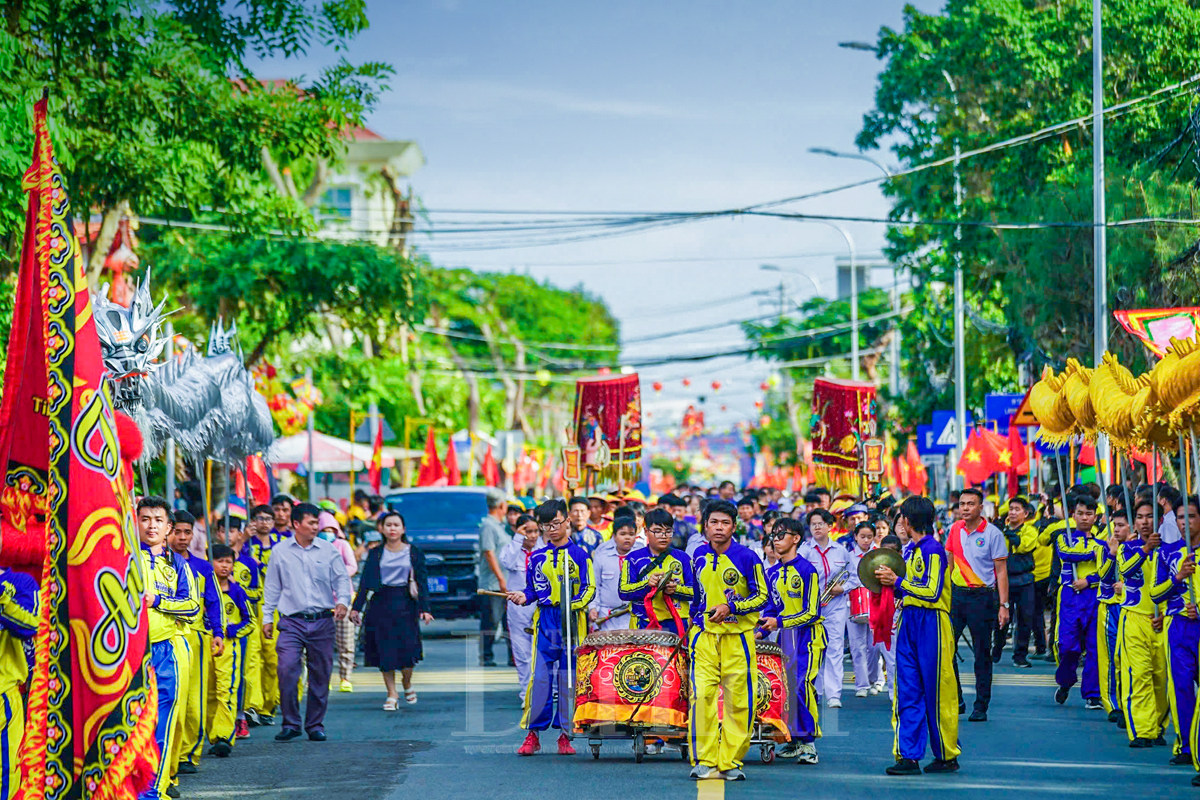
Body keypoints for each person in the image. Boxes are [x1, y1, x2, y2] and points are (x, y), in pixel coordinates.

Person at [875, 495, 960, 776]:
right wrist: (891, 583)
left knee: (937, 691)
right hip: (910, 620)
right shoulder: (910, 551)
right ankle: (908, 756)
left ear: (907, 522)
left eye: (900, 519)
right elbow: (909, 589)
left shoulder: (933, 550)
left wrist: (898, 581)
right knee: (907, 688)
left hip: (932, 623)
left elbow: (932, 591)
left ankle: (946, 754)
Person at [686, 499, 768, 781]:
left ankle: (730, 760)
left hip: (738, 639)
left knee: (739, 701)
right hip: (704, 639)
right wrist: (694, 620)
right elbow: (696, 596)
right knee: (701, 697)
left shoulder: (748, 557)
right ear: (705, 526)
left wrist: (731, 608)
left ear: (734, 526)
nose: (719, 528)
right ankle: (705, 759)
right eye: (713, 523)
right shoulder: (697, 555)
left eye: (725, 523)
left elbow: (762, 596)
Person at [506, 499, 595, 757]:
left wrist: (573, 604)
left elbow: (589, 589)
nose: (552, 529)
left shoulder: (580, 555)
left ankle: (566, 736)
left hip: (572, 621)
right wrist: (524, 596)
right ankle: (532, 734)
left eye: (556, 523)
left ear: (567, 521)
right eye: (546, 525)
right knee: (541, 678)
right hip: (545, 620)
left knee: (569, 678)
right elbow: (532, 589)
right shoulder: (536, 557)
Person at [262, 502, 352, 742]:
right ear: (296, 524)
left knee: (320, 675)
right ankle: (291, 723)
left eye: (317, 523)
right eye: (312, 523)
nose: (317, 527)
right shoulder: (280, 552)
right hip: (291, 622)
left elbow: (342, 580)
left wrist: (343, 601)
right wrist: (267, 618)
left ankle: (315, 724)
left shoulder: (328, 550)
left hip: (323, 620)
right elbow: (272, 587)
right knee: (286, 669)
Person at [137, 497, 199, 800]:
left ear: (168, 527)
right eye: (145, 518)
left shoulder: (178, 565)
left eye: (158, 520)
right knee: (132, 722)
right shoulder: (124, 560)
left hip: (167, 652)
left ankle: (153, 790)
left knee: (162, 723)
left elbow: (192, 607)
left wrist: (158, 601)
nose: (151, 525)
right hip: (130, 653)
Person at [351, 511, 434, 709]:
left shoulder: (413, 552)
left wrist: (425, 608)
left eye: (396, 525)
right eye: (388, 525)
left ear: (403, 529)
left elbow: (422, 582)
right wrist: (356, 608)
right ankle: (391, 693)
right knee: (384, 650)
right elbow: (365, 583)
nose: (392, 529)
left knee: (408, 651)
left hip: (406, 604)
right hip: (381, 604)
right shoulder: (375, 553)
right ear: (381, 529)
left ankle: (406, 682)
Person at [759, 517, 824, 765]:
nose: (775, 539)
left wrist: (780, 623)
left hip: (808, 637)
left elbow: (812, 612)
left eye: (781, 534)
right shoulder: (772, 573)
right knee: (786, 690)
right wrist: (762, 631)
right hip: (785, 638)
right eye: (773, 535)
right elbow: (772, 609)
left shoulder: (808, 570)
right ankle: (795, 740)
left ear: (796, 538)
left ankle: (809, 744)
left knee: (802, 686)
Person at [944, 487, 1009, 722]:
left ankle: (981, 705)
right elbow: (950, 564)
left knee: (982, 654)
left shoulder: (993, 534)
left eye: (970, 504)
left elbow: (1001, 572)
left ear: (981, 508)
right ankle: (957, 698)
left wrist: (1004, 605)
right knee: (946, 648)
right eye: (962, 504)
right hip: (957, 597)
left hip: (982, 598)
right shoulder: (954, 530)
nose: (965, 508)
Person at [170, 511, 224, 775]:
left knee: (194, 700)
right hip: (166, 636)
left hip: (197, 638)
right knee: (169, 699)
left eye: (187, 532)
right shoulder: (154, 563)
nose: (182, 538)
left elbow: (214, 602)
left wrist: (218, 633)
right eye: (177, 531)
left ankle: (187, 754)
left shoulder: (204, 567)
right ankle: (165, 756)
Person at [1114, 504, 1169, 746]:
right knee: (1139, 674)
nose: (1145, 522)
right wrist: (1147, 548)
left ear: (1159, 521)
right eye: (1140, 517)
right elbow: (1125, 569)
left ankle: (1157, 726)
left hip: (1162, 620)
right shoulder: (1127, 548)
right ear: (1134, 523)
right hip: (1134, 618)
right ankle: (1142, 730)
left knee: (1161, 677)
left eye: (1150, 517)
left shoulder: (1170, 551)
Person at [1047, 494, 1105, 709]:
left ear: (1095, 516)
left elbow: (1107, 569)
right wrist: (1095, 552)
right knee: (1068, 647)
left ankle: (1092, 694)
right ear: (1073, 514)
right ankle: (1065, 681)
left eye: (1089, 514)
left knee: (1094, 647)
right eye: (1080, 513)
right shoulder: (1064, 538)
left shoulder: (1102, 541)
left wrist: (1089, 581)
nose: (1084, 518)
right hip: (1070, 596)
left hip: (1094, 597)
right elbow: (1067, 554)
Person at [1155, 494, 1200, 770]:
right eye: (1180, 517)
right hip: (1180, 627)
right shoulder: (1169, 552)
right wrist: (1178, 577)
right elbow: (1155, 592)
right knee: (1181, 687)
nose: (1184, 523)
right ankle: (1185, 745)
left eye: (1191, 517)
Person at [798, 507, 855, 709]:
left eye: (821, 523)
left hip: (835, 606)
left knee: (835, 648)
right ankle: (817, 691)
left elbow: (854, 576)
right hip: (812, 607)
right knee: (814, 649)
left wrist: (844, 587)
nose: (817, 527)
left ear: (830, 526)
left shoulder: (841, 551)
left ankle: (834, 694)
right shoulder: (803, 551)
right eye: (813, 524)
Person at [207, 544, 252, 758]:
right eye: (219, 561)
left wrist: (233, 631)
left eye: (228, 562)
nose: (224, 566)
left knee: (227, 692)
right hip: (206, 645)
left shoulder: (236, 590)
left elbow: (250, 621)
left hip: (229, 649)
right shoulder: (203, 588)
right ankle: (210, 734)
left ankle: (224, 736)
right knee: (208, 694)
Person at [620, 507, 694, 637]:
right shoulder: (634, 559)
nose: (663, 536)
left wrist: (676, 589)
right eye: (658, 531)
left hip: (677, 622)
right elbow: (623, 592)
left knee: (677, 658)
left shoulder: (683, 558)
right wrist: (647, 585)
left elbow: (696, 592)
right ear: (646, 531)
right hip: (644, 621)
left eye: (668, 531)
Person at [0, 559, 38, 799]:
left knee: (5, 772)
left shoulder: (20, 582)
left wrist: (3, 599)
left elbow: (31, 625)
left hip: (4, 692)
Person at [499, 514, 541, 701]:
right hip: (518, 607)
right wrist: (518, 537)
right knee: (522, 652)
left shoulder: (544, 551)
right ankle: (527, 693)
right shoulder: (511, 549)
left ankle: (548, 691)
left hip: (540, 604)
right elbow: (507, 562)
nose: (532, 536)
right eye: (527, 531)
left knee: (542, 650)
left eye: (535, 531)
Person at [245, 507, 281, 725]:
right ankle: (252, 706)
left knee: (273, 658)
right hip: (250, 607)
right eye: (260, 518)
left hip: (273, 607)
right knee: (252, 658)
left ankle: (270, 704)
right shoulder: (246, 545)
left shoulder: (281, 546)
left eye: (268, 519)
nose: (264, 523)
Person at [319, 511, 359, 692]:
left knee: (346, 642)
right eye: (324, 529)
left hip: (342, 600)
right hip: (320, 603)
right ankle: (323, 677)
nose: (327, 532)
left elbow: (352, 566)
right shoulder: (313, 546)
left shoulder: (342, 545)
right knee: (321, 644)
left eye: (331, 529)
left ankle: (345, 678)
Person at [1002, 498, 1040, 668]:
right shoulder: (1001, 531)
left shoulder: (1031, 531)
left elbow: (1025, 546)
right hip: (1005, 581)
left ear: (1025, 514)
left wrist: (1013, 537)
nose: (1012, 512)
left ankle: (1020, 655)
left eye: (1017, 509)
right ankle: (998, 644)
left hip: (1025, 580)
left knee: (1026, 618)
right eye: (1011, 508)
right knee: (1002, 618)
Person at [1096, 509, 1126, 721]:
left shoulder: (1142, 549)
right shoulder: (1104, 549)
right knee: (1110, 659)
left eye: (1121, 525)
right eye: (1114, 525)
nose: (1116, 529)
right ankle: (1112, 704)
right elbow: (1104, 577)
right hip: (1110, 607)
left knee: (1128, 660)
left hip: (1132, 609)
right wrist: (1113, 554)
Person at [846, 521, 882, 697]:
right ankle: (861, 684)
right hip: (854, 604)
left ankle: (874, 677)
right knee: (857, 646)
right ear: (855, 537)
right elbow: (845, 579)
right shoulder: (849, 556)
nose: (866, 541)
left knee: (874, 646)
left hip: (875, 602)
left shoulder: (879, 555)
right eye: (862, 537)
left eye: (869, 537)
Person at [476, 487, 511, 668]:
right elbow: (489, 553)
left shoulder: (499, 526)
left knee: (508, 621)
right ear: (501, 506)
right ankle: (486, 656)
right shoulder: (488, 526)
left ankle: (512, 657)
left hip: (504, 582)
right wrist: (500, 579)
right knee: (491, 620)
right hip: (493, 583)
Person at [590, 513, 638, 632]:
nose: (627, 538)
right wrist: (593, 608)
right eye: (623, 534)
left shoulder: (640, 557)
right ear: (614, 536)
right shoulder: (602, 556)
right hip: (606, 615)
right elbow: (595, 585)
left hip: (632, 613)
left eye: (631, 534)